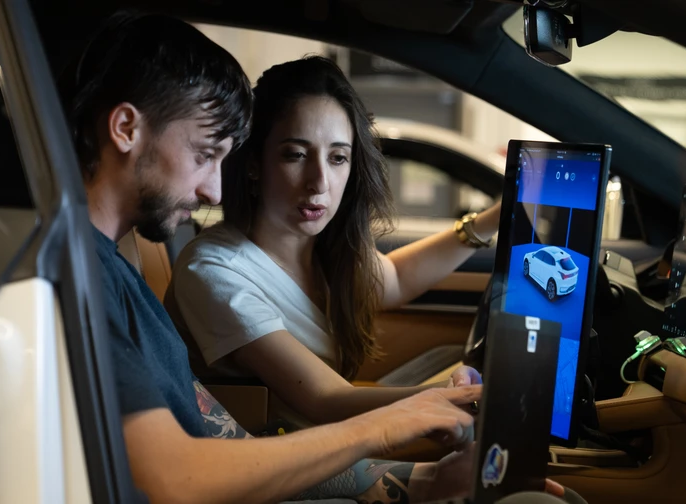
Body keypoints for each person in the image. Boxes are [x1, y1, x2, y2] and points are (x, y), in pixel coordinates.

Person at [65, 12, 529, 503]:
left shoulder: (117, 279)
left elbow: (232, 445)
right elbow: (178, 478)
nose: (212, 189)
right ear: (125, 129)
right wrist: (386, 428)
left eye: (338, 157)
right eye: (204, 154)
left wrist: (419, 480)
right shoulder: (90, 281)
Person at [165, 56, 501, 428]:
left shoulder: (321, 248)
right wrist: (463, 398)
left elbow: (396, 279)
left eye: (338, 157)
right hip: (284, 469)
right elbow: (326, 400)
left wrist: (495, 218)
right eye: (295, 155)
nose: (320, 182)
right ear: (254, 163)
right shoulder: (214, 270)